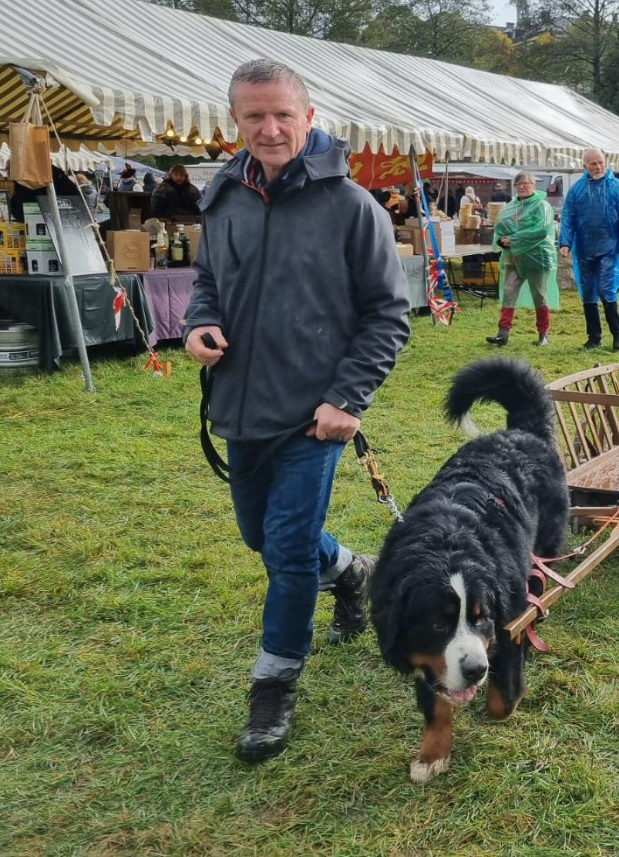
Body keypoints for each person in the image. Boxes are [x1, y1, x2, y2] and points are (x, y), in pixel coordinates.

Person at [183, 59, 410, 762]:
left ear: (308, 117)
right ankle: (350, 571)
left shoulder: (352, 206)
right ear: (236, 121)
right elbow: (207, 280)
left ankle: (272, 686)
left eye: (284, 114)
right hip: (239, 405)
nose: (271, 128)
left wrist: (347, 399)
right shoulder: (223, 197)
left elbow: (388, 315)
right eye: (255, 116)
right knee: (262, 534)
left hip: (315, 416)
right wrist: (198, 323)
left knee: (285, 552)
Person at [558, 148, 619, 351]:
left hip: (609, 248)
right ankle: (594, 337)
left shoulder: (617, 188)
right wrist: (565, 242)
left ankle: (618, 334)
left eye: (601, 162)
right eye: (593, 163)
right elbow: (568, 217)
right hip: (584, 248)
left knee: (606, 289)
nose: (598, 166)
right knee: (588, 292)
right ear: (585, 165)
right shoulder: (577, 190)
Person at [486, 170, 558, 346]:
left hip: (537, 257)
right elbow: (500, 226)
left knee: (539, 295)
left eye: (526, 183)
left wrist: (515, 239)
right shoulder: (511, 206)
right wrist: (502, 241)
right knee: (508, 292)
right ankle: (503, 332)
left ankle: (543, 334)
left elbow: (541, 230)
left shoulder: (541, 206)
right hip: (514, 257)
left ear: (534, 185)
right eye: (519, 184)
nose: (522, 187)